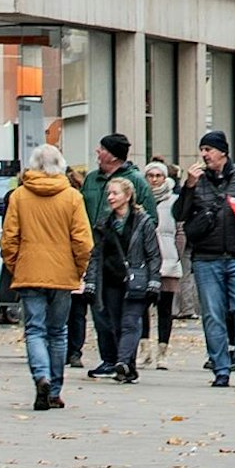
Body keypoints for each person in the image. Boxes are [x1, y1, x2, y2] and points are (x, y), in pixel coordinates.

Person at [173, 130, 235, 387]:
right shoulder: (196, 181)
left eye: (208, 149)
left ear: (223, 152)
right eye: (202, 150)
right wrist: (188, 187)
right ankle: (220, 368)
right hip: (206, 258)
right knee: (212, 313)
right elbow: (180, 214)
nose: (204, 155)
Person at [0, 144, 93, 411]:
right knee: (58, 331)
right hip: (62, 273)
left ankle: (41, 376)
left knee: (34, 329)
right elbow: (83, 241)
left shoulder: (19, 196)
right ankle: (54, 391)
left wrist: (16, 266)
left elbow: (9, 239)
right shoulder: (72, 197)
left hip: (29, 272)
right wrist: (78, 269)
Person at [80, 134, 153, 376]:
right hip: (98, 253)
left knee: (128, 316)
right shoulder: (92, 179)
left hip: (128, 260)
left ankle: (124, 360)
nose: (97, 152)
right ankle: (109, 359)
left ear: (112, 155)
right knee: (101, 312)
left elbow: (150, 219)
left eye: (101, 149)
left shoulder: (136, 180)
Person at [88, 177, 161, 383]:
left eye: (115, 193)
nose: (110, 197)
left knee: (130, 322)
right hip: (111, 280)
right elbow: (95, 255)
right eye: (109, 194)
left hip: (136, 280)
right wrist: (91, 281)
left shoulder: (143, 221)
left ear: (128, 196)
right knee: (116, 325)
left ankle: (121, 362)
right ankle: (129, 368)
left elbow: (153, 254)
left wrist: (154, 281)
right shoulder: (104, 223)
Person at [143, 161, 183, 370]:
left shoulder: (174, 201)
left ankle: (162, 352)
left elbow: (180, 232)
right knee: (142, 307)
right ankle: (144, 350)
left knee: (165, 309)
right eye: (150, 175)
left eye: (158, 175)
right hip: (144, 262)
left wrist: (176, 254)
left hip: (168, 260)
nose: (154, 179)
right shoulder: (141, 199)